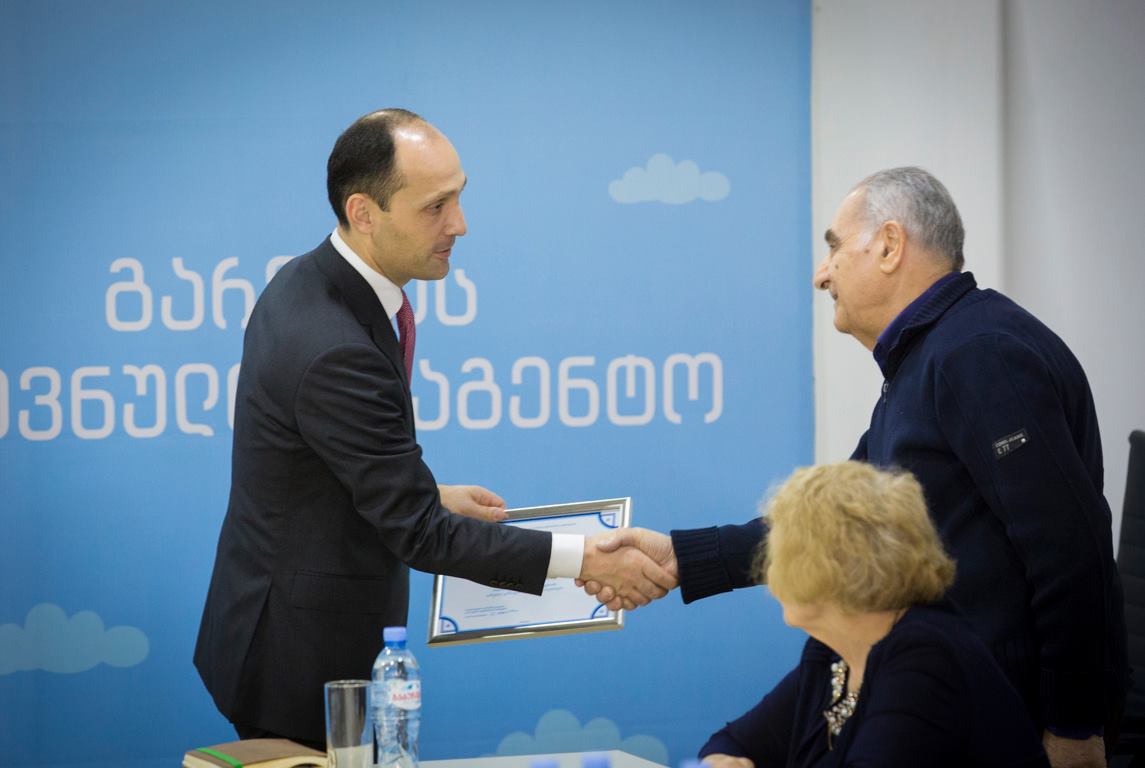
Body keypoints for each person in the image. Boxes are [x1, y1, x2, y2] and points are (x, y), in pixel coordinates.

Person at [585, 167, 1128, 767]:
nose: (821, 274)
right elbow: (830, 531)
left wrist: (1074, 727)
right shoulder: (923, 364)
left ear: (890, 245)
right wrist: (680, 558)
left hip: (997, 727)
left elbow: (1068, 549)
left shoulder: (978, 355)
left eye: (834, 247)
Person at [193, 108, 676, 747]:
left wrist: (431, 495)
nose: (460, 224)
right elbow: (418, 532)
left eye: (459, 197)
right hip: (298, 664)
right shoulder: (333, 345)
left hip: (287, 626)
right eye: (435, 207)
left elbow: (325, 464)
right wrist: (584, 557)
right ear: (364, 212)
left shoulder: (313, 280)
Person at [698, 461, 1049, 768]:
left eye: (782, 552)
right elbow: (731, 742)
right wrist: (725, 762)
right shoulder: (832, 653)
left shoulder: (925, 657)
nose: (771, 567)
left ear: (828, 568)